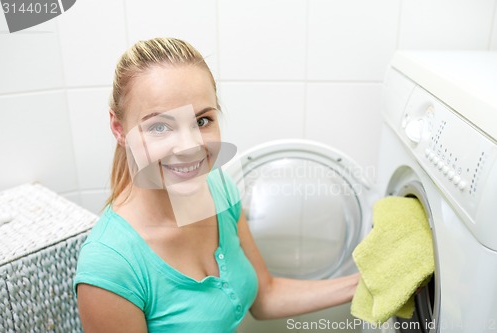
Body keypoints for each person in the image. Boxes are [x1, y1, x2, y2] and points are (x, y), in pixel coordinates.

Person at [74, 37, 360, 333]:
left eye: (201, 121)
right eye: (160, 126)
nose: (190, 147)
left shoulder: (218, 187)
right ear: (119, 129)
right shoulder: (110, 267)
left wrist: (367, 284)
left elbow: (265, 296)